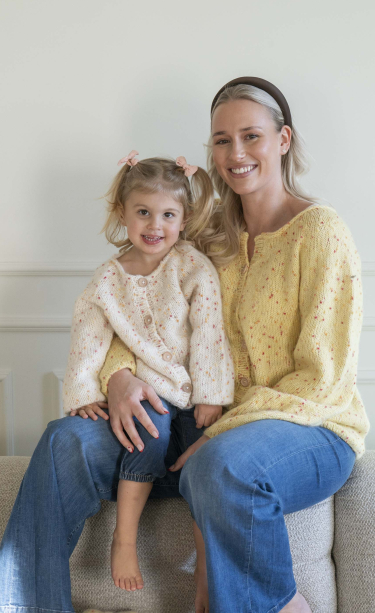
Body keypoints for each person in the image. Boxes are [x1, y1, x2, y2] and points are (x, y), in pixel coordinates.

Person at [101, 77, 370, 613]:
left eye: (251, 136)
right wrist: (117, 375)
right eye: (222, 140)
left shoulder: (321, 232)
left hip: (316, 427)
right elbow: (136, 308)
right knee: (197, 462)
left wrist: (223, 431)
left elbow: (323, 375)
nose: (236, 153)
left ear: (283, 140)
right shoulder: (204, 240)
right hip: (213, 429)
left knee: (220, 465)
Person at [64, 152, 234, 592]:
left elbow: (209, 332)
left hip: (194, 392)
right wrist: (83, 391)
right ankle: (124, 540)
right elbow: (89, 336)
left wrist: (211, 395)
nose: (154, 225)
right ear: (122, 213)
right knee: (146, 437)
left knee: (205, 462)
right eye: (143, 212)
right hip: (150, 389)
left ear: (184, 219)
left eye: (167, 215)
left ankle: (205, 565)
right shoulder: (108, 279)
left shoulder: (193, 267)